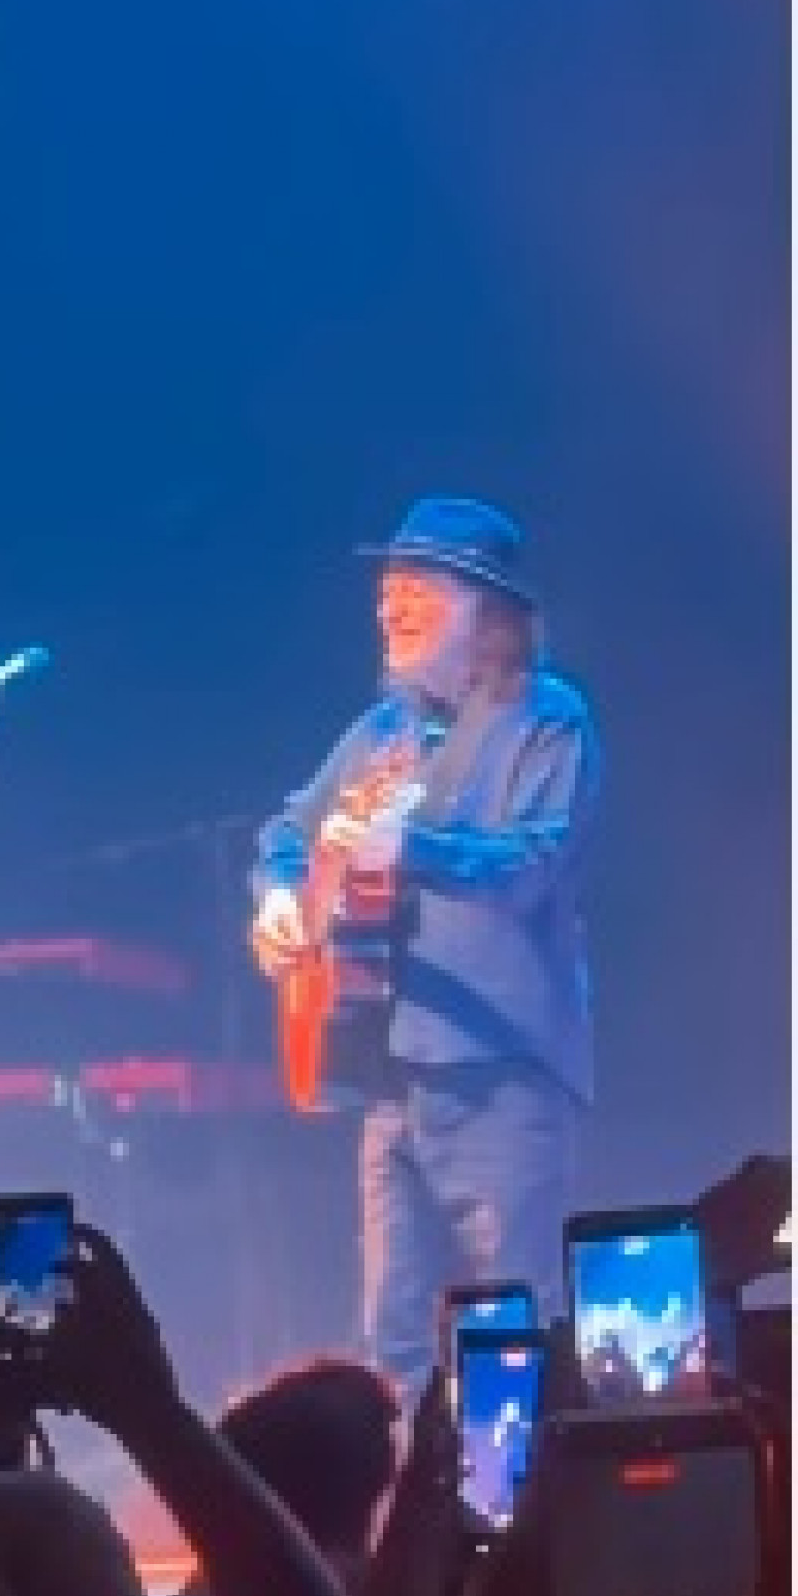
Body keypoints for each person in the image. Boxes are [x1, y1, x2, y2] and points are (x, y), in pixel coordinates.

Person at [250, 498, 599, 1394]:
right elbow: (287, 830)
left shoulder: (549, 722)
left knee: (507, 1327)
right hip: (389, 1078)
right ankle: (408, 1529)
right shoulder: (381, 735)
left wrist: (412, 847)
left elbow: (534, 864)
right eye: (385, 590)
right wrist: (282, 897)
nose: (388, 606)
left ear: (485, 610)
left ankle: (521, 1530)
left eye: (416, 588)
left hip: (500, 1079)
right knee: (394, 1347)